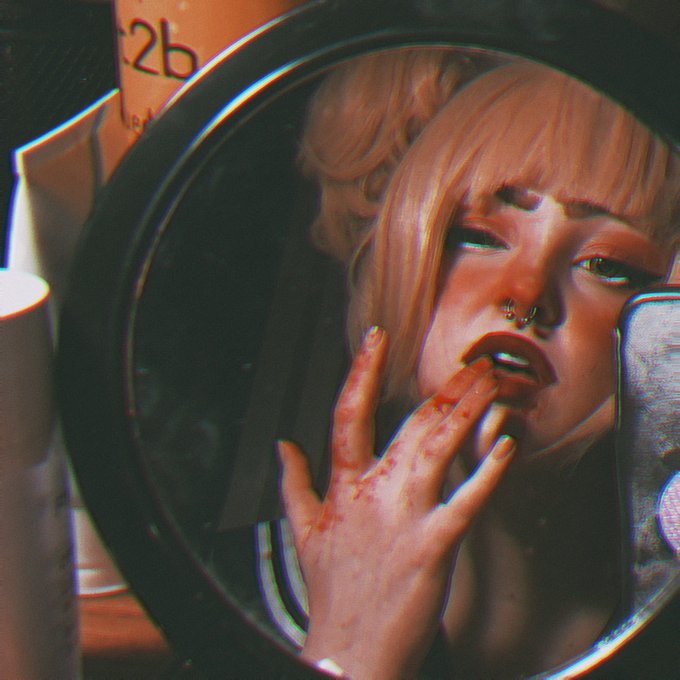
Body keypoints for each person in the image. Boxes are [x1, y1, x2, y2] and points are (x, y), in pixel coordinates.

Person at [271, 49, 680, 679]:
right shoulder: (243, 581)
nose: (524, 295)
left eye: (606, 265)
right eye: (479, 237)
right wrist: (353, 645)